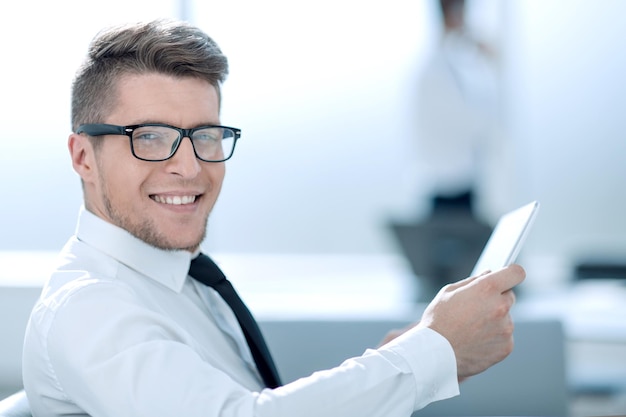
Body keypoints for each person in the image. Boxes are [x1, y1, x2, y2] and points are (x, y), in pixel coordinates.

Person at [22, 18, 525, 417]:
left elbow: (246, 405)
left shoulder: (179, 277)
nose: (190, 167)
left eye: (205, 135)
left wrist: (405, 357)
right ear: (83, 157)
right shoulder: (89, 307)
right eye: (149, 137)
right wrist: (432, 354)